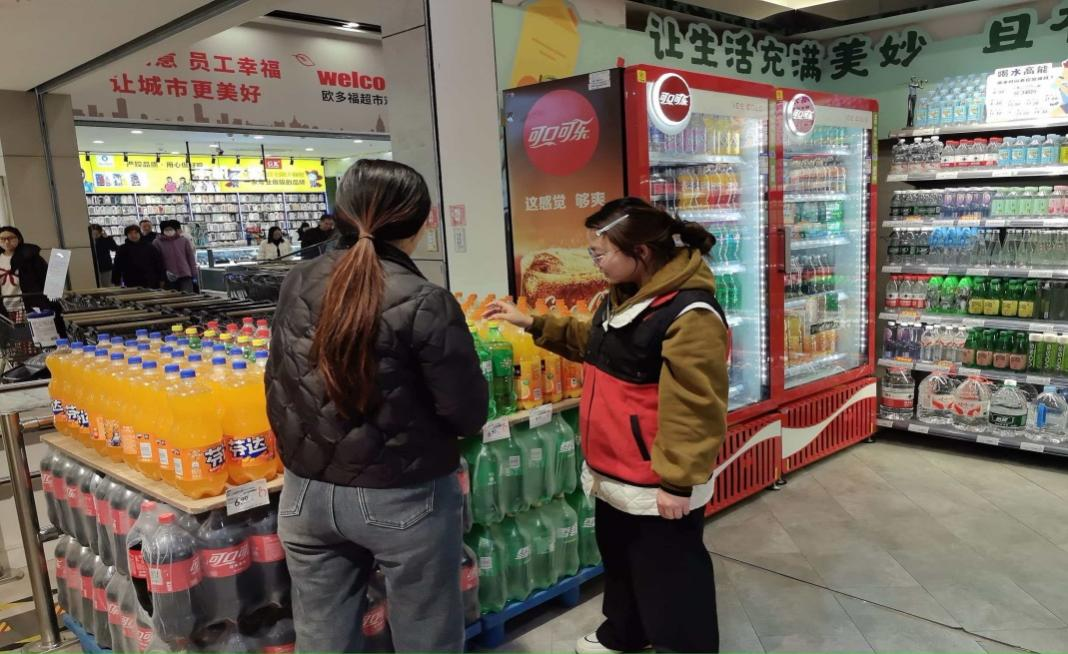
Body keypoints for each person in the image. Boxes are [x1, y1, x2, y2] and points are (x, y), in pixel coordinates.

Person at [485, 197, 729, 654]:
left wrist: (677, 481)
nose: (594, 261)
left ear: (641, 251)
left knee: (672, 577)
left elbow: (697, 405)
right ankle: (625, 633)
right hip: (613, 467)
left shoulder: (690, 313)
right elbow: (595, 343)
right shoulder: (622, 296)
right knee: (622, 561)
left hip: (657, 476)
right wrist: (532, 323)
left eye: (600, 253)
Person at [265, 159, 488, 653]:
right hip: (401, 495)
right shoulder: (424, 299)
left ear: (341, 215)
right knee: (426, 634)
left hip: (305, 491)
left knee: (321, 635)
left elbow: (277, 383)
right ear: (422, 222)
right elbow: (468, 413)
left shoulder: (298, 280)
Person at [0, 226, 49, 320]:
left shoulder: (30, 257)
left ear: (19, 239)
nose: (6, 242)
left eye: (10, 238)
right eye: (2, 239)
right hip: (4, 308)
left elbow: (45, 277)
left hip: (27, 306)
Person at [111, 224, 164, 288]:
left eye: (136, 233)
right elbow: (117, 266)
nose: (133, 235)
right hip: (131, 282)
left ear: (140, 233)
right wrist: (116, 281)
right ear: (127, 235)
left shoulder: (149, 247)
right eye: (130, 233)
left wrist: (162, 278)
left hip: (151, 281)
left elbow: (158, 263)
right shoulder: (122, 249)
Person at [153, 220, 198, 292]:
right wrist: (162, 275)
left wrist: (194, 273)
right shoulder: (157, 242)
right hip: (168, 276)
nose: (169, 231)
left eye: (171, 229)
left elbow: (190, 257)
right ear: (162, 231)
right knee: (172, 296)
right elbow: (157, 261)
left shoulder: (183, 240)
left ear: (175, 229)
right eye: (166, 229)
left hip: (185, 273)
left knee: (188, 295)